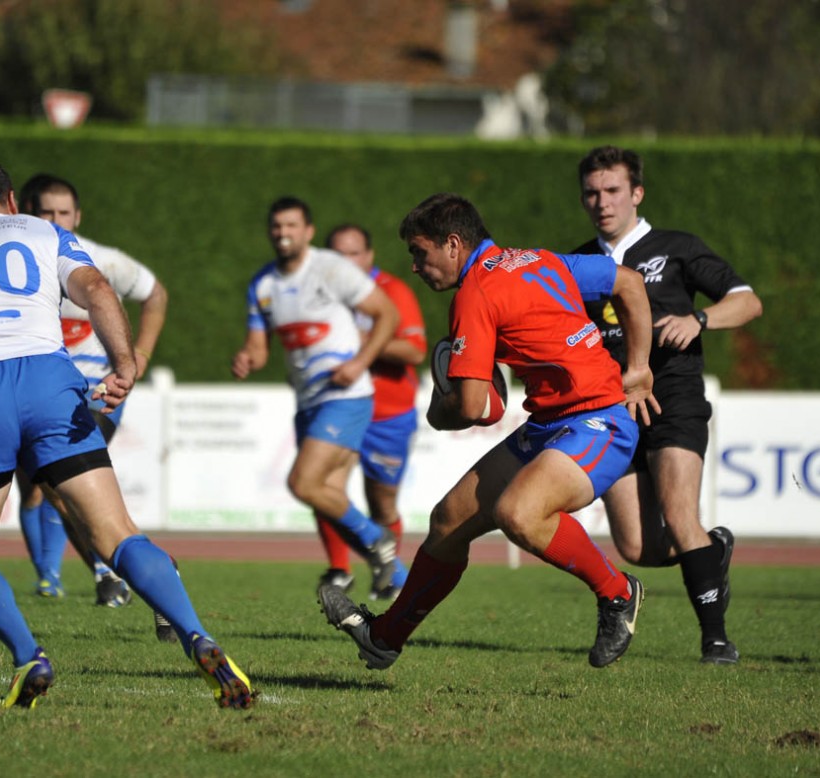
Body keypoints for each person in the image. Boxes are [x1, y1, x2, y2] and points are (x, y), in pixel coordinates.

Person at [0, 160, 253, 710]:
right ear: (12, 200)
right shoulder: (44, 232)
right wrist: (125, 364)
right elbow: (98, 288)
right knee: (118, 535)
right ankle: (198, 638)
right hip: (49, 382)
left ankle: (27, 657)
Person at [319, 192, 659, 671]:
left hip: (598, 421)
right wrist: (639, 366)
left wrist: (441, 411)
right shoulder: (540, 260)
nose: (416, 266)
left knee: (519, 514)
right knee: (447, 522)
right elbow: (628, 282)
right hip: (550, 425)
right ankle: (384, 636)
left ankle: (619, 593)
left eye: (420, 253)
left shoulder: (475, 293)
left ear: (453, 244)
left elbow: (477, 407)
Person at [572, 145, 763, 665]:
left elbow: (747, 301)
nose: (602, 202)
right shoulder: (578, 262)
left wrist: (699, 320)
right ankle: (711, 550)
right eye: (592, 193)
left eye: (613, 191)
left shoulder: (676, 248)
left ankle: (716, 640)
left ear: (637, 193)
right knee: (636, 548)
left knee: (681, 517)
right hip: (613, 408)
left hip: (673, 394)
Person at [16, 174, 171, 627]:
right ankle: (55, 577)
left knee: (63, 483)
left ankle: (115, 574)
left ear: (77, 217)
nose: (55, 219)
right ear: (27, 209)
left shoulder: (100, 261)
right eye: (46, 211)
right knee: (37, 487)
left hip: (98, 393)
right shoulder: (16, 262)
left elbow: (155, 294)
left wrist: (138, 355)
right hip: (41, 391)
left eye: (64, 213)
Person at [231, 197, 407, 595]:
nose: (283, 233)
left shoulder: (330, 269)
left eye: (292, 225)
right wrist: (246, 358)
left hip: (347, 395)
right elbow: (259, 349)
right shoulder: (263, 285)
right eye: (277, 226)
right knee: (327, 494)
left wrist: (361, 362)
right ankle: (401, 579)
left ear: (308, 231)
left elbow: (388, 314)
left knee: (302, 482)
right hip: (308, 401)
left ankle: (377, 540)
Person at [316, 224, 427, 599]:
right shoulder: (318, 294)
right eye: (336, 254)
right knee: (321, 486)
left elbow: (414, 351)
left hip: (387, 414)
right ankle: (339, 570)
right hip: (337, 407)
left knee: (382, 503)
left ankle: (389, 574)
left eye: (352, 254)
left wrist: (365, 341)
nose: (344, 262)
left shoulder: (393, 293)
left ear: (368, 256)